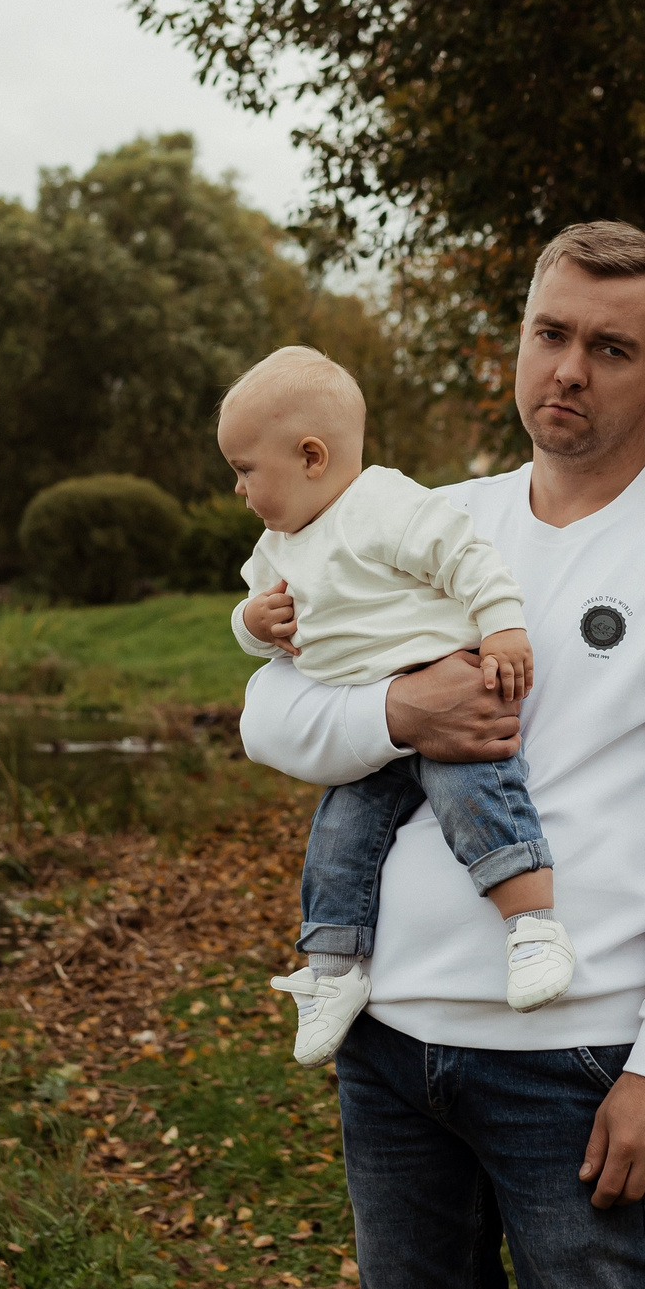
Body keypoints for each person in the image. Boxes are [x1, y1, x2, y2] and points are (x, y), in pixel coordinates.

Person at [238, 222, 645, 1289]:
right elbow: (272, 713)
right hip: (388, 1046)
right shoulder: (433, 518)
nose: (568, 368)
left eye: (610, 349)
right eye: (549, 333)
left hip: (570, 1058)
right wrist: (399, 711)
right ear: (520, 339)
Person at [219, 345, 577, 1067]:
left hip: (441, 678)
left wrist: (503, 625)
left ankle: (534, 925)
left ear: (311, 455)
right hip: (369, 715)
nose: (237, 488)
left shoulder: (384, 504)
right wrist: (254, 625)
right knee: (338, 838)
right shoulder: (278, 543)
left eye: (245, 469)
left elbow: (468, 558)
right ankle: (334, 969)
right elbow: (252, 620)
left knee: (479, 797)